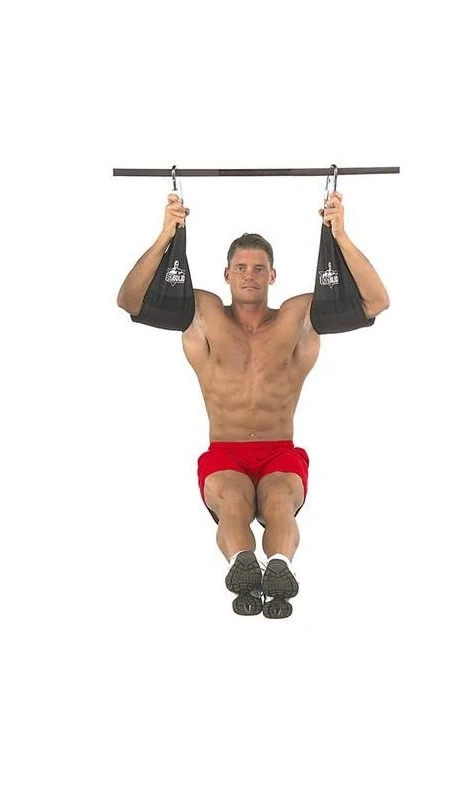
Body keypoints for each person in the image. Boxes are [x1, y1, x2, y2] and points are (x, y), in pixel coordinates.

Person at [117, 191, 390, 618]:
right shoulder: (202, 313)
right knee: (233, 501)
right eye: (241, 268)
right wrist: (166, 234)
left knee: (279, 500)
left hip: (280, 451)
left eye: (259, 269)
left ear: (272, 275)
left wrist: (340, 234)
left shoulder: (298, 318)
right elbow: (130, 300)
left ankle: (279, 568)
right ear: (226, 274)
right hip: (225, 452)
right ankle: (243, 567)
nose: (250, 276)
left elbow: (376, 302)